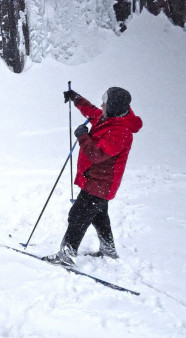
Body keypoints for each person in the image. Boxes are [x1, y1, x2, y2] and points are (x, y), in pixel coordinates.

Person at [42, 87, 143, 267]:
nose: (102, 104)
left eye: (106, 102)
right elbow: (92, 111)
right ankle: (108, 250)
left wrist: (83, 136)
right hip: (96, 181)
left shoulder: (121, 131)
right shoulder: (110, 118)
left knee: (77, 216)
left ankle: (66, 255)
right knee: (99, 215)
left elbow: (96, 155)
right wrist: (76, 98)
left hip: (100, 183)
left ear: (113, 107)